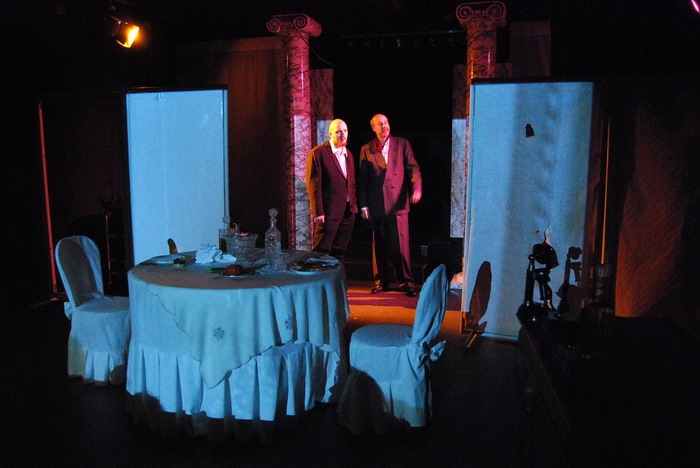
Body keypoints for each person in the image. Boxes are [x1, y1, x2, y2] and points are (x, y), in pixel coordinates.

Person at [358, 114, 422, 296]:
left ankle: (407, 282)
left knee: (401, 245)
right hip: (376, 204)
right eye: (379, 124)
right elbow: (363, 179)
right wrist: (364, 205)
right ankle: (381, 282)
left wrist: (416, 188)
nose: (384, 126)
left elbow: (413, 168)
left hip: (398, 203)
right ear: (373, 128)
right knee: (378, 245)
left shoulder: (402, 144)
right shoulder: (366, 149)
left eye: (386, 123)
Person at [305, 118, 358, 261]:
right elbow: (313, 184)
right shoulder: (318, 153)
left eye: (345, 131)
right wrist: (318, 212)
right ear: (330, 134)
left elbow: (351, 182)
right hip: (328, 212)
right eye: (338, 131)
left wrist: (354, 204)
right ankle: (317, 275)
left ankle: (334, 275)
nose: (343, 134)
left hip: (348, 211)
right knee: (321, 251)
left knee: (340, 250)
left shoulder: (349, 155)